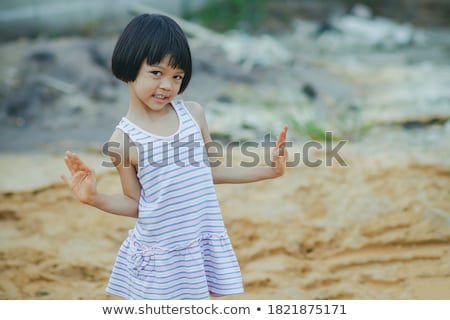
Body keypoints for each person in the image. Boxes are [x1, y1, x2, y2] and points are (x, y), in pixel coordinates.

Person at [61, 13, 288, 300]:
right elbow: (136, 204)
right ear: (130, 66)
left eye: (177, 76)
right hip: (161, 255)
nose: (167, 86)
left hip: (201, 243)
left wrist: (270, 170)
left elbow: (212, 170)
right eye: (157, 73)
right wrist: (94, 198)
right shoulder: (123, 142)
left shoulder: (193, 114)